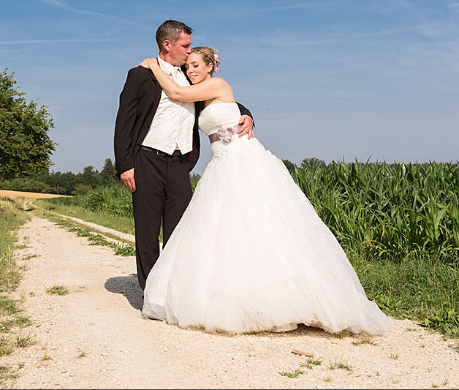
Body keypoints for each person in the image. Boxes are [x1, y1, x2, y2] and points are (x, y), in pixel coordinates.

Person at [138, 47, 391, 335]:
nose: (191, 71)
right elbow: (227, 107)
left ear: (211, 66)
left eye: (196, 65)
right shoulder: (202, 95)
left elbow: (178, 94)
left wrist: (152, 65)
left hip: (242, 159)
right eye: (188, 67)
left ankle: (290, 297)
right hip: (221, 165)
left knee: (261, 221)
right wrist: (247, 115)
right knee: (227, 230)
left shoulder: (218, 85)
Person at [113, 20, 254, 291]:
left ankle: (174, 289)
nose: (190, 53)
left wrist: (248, 115)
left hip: (180, 162)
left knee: (180, 230)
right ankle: (151, 291)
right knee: (147, 228)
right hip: (147, 159)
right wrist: (125, 165)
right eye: (185, 46)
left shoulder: (190, 75)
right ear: (168, 45)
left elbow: (225, 100)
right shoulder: (140, 75)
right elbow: (124, 122)